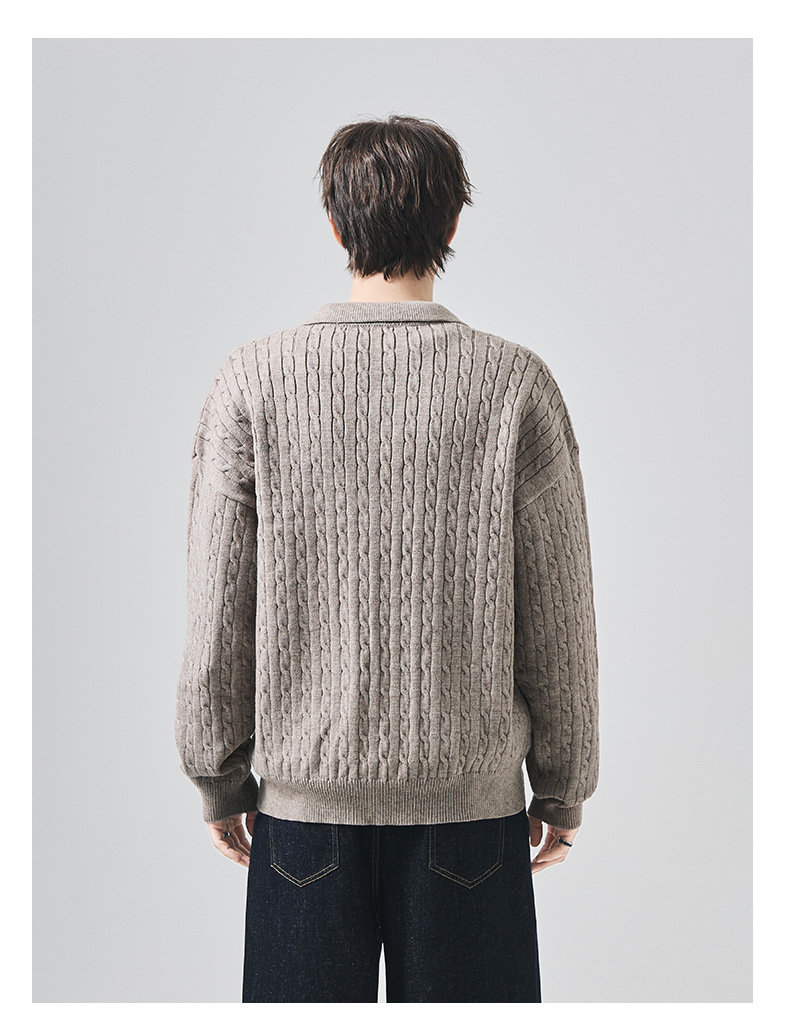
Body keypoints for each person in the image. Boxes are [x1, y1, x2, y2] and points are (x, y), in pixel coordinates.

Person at [174, 114, 600, 1003]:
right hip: (471, 819)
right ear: (453, 223)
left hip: (304, 818)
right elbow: (559, 612)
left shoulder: (253, 380)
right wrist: (563, 787)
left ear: (336, 225)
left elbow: (217, 607)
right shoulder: (514, 383)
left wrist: (219, 774)